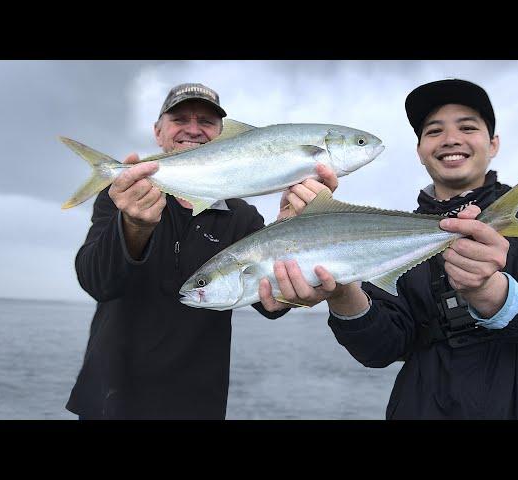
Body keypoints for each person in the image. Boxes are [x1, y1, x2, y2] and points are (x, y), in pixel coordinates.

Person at [259, 79, 518, 419]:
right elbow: (381, 349)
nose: (451, 139)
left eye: (467, 127)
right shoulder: (393, 236)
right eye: (434, 131)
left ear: (493, 144)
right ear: (419, 151)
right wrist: (342, 291)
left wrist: (491, 291)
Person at [66, 83, 338, 419]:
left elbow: (271, 305)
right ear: (158, 131)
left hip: (197, 404)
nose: (193, 129)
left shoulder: (240, 215)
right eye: (179, 118)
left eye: (206, 122)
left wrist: (290, 234)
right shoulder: (122, 195)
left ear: (223, 133)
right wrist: (133, 226)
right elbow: (97, 281)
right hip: (110, 398)